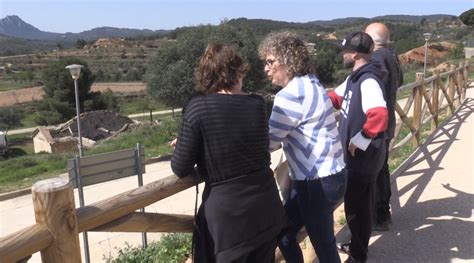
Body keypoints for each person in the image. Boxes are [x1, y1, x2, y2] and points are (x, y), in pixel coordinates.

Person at [170, 43, 286, 263]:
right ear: (237, 72)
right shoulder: (256, 104)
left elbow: (180, 166)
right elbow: (254, 147)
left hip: (229, 220)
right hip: (266, 206)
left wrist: (189, 143)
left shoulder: (198, 107)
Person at [259, 31, 347, 263]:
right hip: (333, 174)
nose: (266, 69)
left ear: (288, 60)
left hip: (315, 181)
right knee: (285, 233)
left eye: (270, 62)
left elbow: (269, 142)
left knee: (324, 247)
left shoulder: (288, 96)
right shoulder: (312, 82)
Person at [328, 31, 388, 263]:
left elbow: (380, 115)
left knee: (357, 210)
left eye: (344, 50)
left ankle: (357, 256)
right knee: (357, 206)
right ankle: (356, 247)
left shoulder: (368, 80)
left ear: (353, 54)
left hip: (363, 159)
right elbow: (335, 98)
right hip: (358, 159)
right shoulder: (355, 78)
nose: (342, 54)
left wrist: (361, 139)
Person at [364, 22, 404, 231]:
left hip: (376, 125)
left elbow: (370, 88)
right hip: (387, 122)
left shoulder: (377, 59)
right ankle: (382, 214)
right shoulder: (392, 55)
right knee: (382, 170)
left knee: (374, 172)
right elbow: (400, 82)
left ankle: (377, 216)